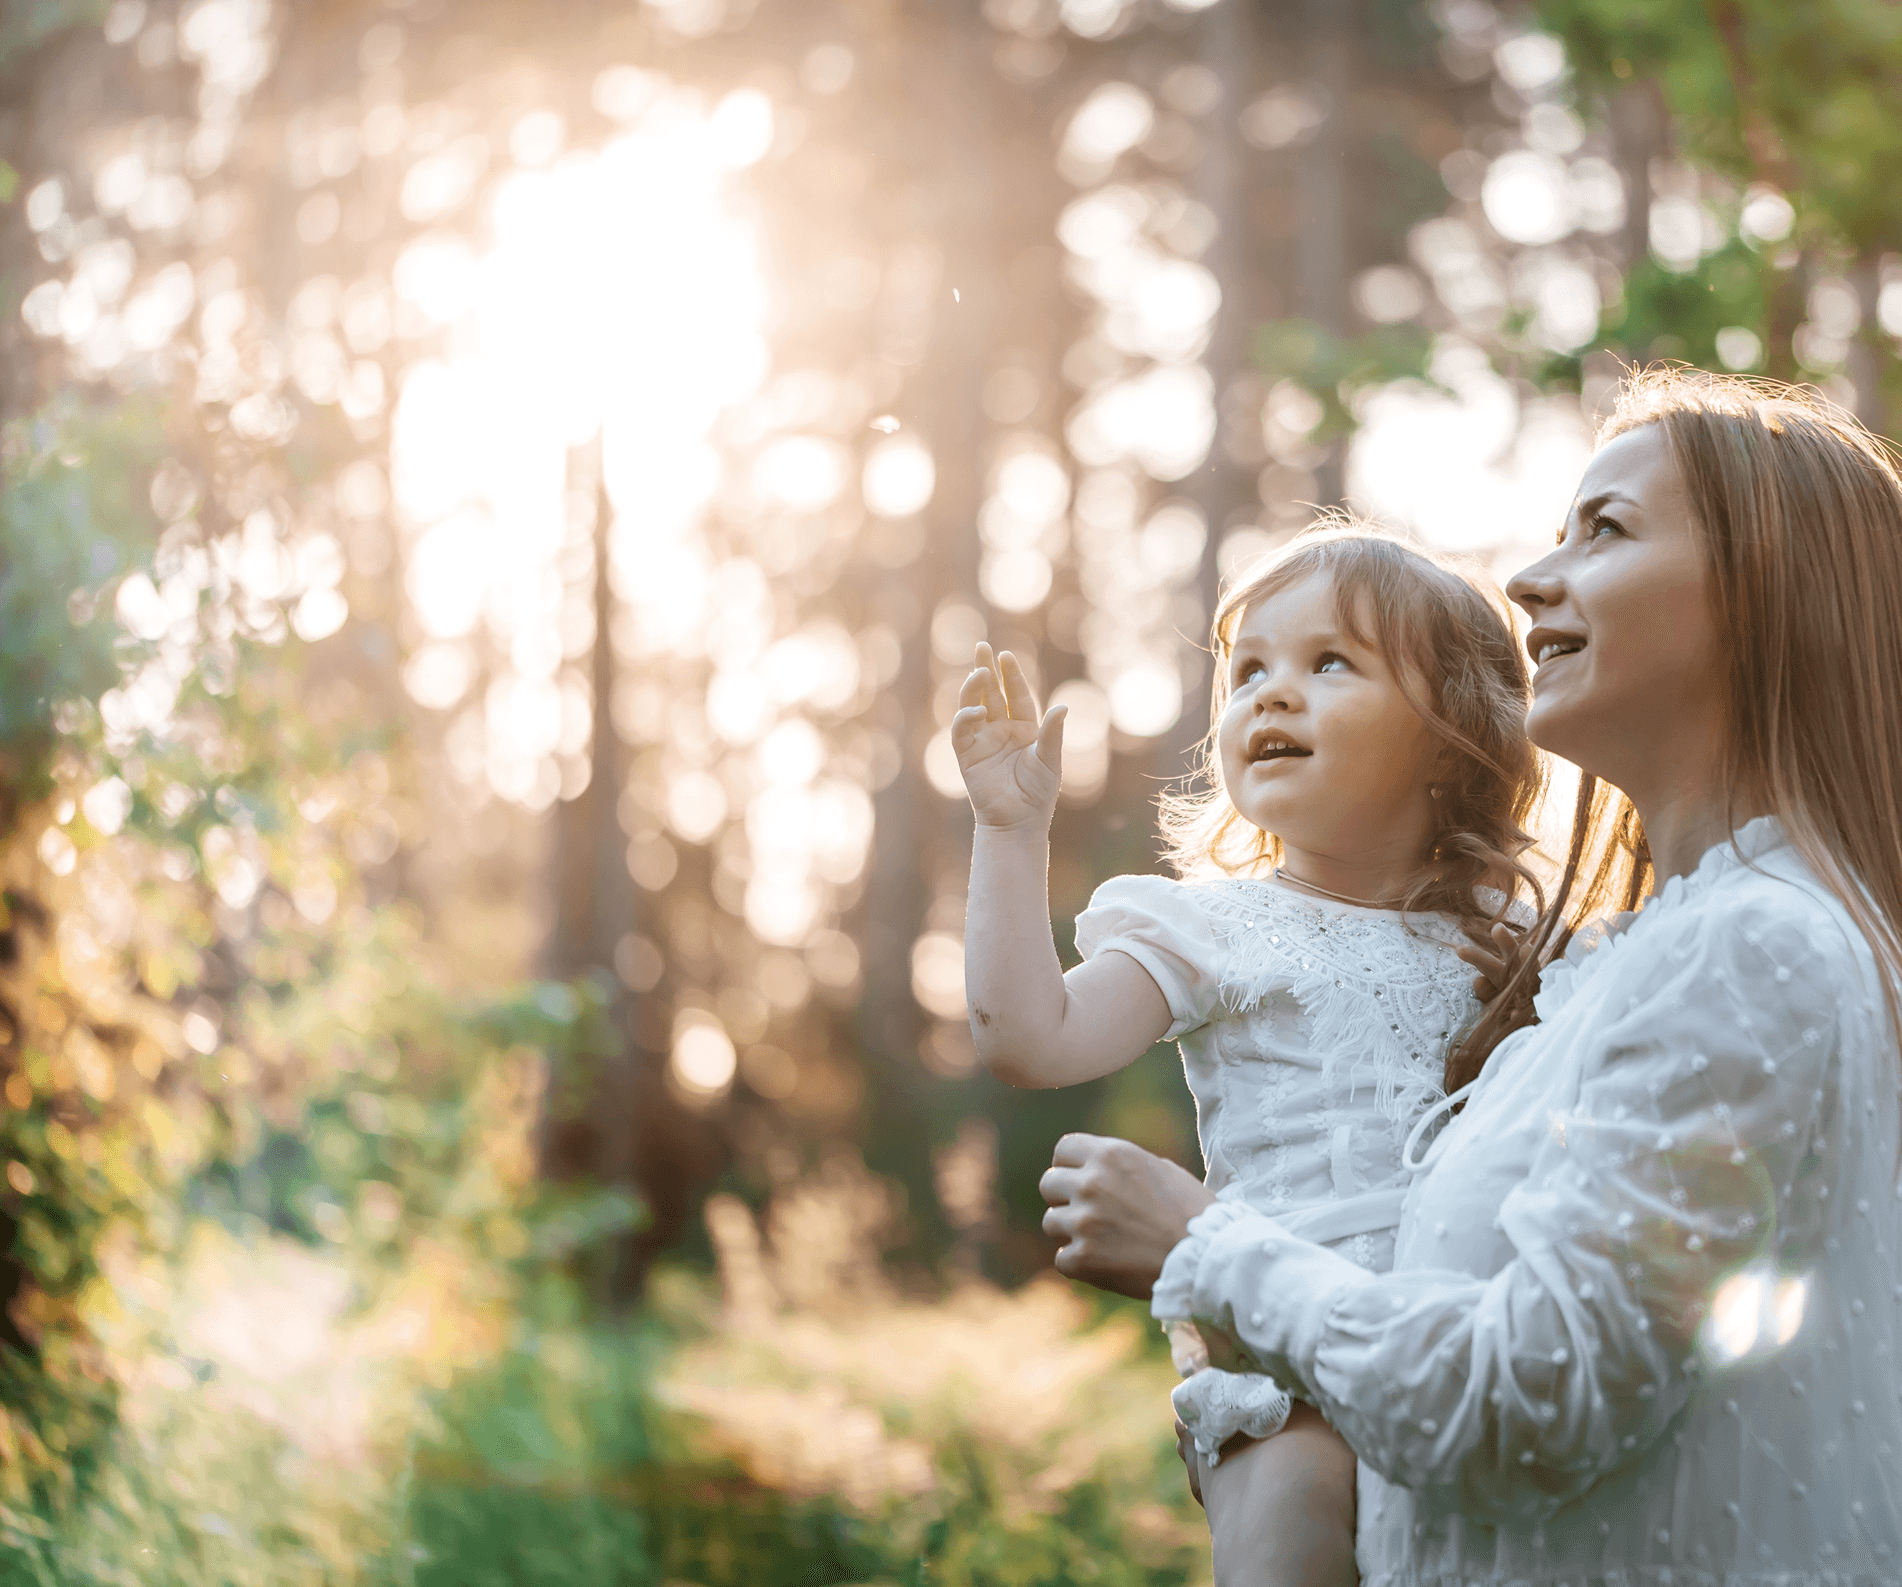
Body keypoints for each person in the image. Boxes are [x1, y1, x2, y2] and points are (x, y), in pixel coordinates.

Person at [1038, 367, 1902, 1583]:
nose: (1532, 578)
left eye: (1604, 530)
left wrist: (1208, 1247)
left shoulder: (1751, 946)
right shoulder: (1624, 961)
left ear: (1767, 588)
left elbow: (1531, 1402)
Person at [952, 528, 1540, 1587]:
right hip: (1282, 1373)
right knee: (1302, 1524)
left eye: (1330, 663)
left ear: (1456, 734)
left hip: (1460, 1350)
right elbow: (1029, 1039)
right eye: (1248, 671)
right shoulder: (1215, 928)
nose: (1271, 695)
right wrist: (1009, 831)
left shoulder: (1511, 934)